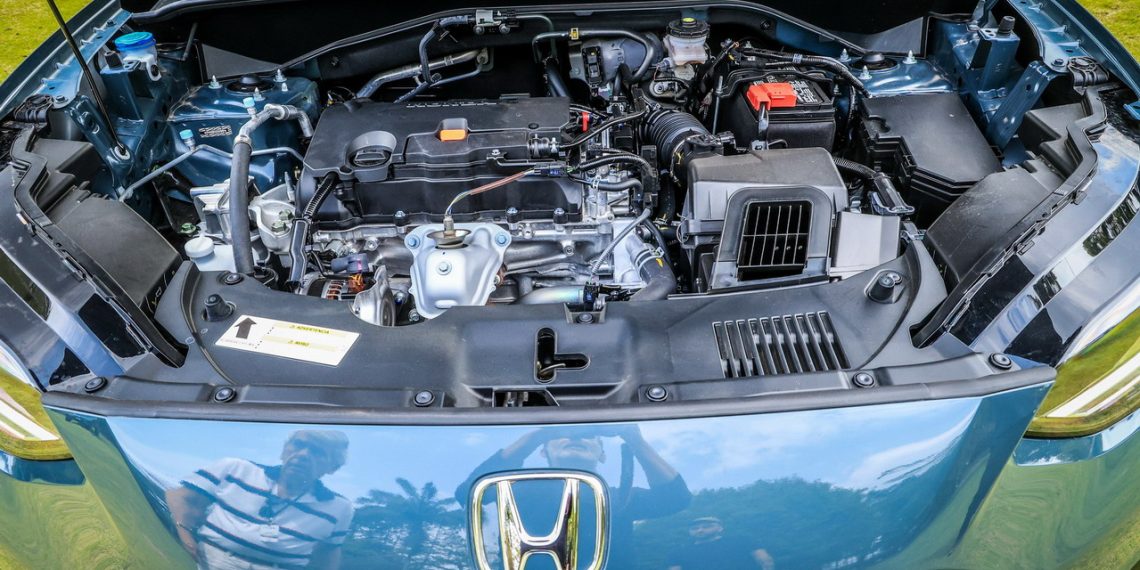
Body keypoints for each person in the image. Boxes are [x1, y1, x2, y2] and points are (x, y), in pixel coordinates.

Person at [457, 425, 691, 568]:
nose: (576, 438)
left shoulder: (620, 496)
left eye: (589, 436)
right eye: (563, 435)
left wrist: (636, 441)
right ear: (543, 451)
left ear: (602, 455)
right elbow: (467, 493)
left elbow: (676, 498)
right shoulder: (516, 489)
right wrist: (536, 435)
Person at [166, 430, 354, 570]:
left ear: (333, 467)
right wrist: (184, 534)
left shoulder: (340, 508)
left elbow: (328, 552)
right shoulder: (235, 469)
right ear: (284, 450)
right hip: (211, 560)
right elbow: (180, 497)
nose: (304, 455)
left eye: (317, 452)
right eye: (298, 445)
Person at [666, 516, 775, 570]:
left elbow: (764, 560)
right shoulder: (678, 552)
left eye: (706, 526)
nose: (700, 530)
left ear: (720, 528)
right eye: (695, 528)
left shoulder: (741, 540)